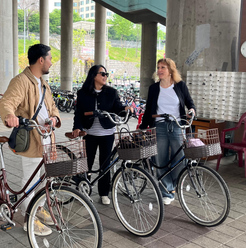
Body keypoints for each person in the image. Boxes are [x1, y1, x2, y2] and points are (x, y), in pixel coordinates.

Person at [0, 44, 61, 236]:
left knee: (45, 178)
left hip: (47, 138)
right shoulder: (21, 81)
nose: (51, 62)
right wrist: (10, 115)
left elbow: (53, 108)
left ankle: (38, 208)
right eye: (50, 58)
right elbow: (7, 102)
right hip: (32, 138)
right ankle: (29, 218)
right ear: (41, 60)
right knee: (31, 179)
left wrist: (54, 118)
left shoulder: (43, 83)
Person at [72, 65, 132, 205]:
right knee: (87, 163)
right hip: (89, 133)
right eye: (102, 74)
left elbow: (117, 107)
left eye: (106, 74)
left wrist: (125, 109)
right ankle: (84, 190)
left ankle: (104, 193)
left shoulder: (111, 92)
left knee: (105, 164)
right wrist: (77, 127)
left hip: (107, 133)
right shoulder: (83, 93)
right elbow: (79, 113)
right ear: (94, 76)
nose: (105, 76)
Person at [139, 58, 196, 205]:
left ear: (171, 70)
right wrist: (143, 128)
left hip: (177, 125)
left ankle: (174, 185)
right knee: (160, 160)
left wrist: (192, 110)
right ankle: (166, 191)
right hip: (159, 127)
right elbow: (148, 110)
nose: (159, 70)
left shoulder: (180, 86)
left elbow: (190, 102)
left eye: (163, 67)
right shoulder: (154, 88)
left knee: (180, 159)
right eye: (158, 67)